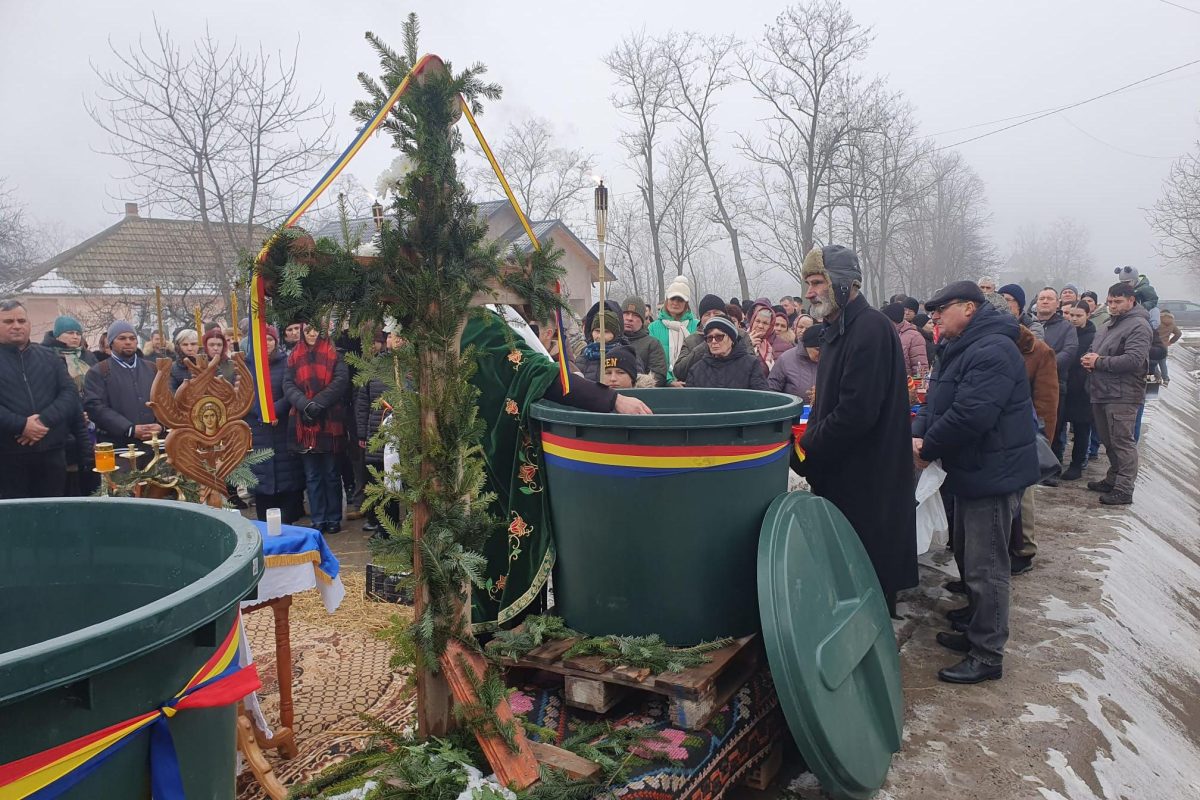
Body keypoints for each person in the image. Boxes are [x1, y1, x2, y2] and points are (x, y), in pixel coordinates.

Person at [913, 281, 1039, 684]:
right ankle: (975, 623)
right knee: (967, 554)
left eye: (941, 309)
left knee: (987, 567)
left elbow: (972, 414)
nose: (935, 317)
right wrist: (919, 433)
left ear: (969, 307)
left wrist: (929, 445)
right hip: (970, 469)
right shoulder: (957, 346)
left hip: (992, 471)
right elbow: (935, 400)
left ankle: (987, 653)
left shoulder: (993, 349)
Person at [797, 245, 917, 616]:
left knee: (869, 575)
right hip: (845, 472)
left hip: (869, 477)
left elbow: (856, 413)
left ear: (845, 283)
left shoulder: (870, 329)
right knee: (847, 571)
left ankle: (873, 638)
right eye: (808, 283)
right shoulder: (836, 328)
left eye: (817, 282)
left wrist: (807, 445)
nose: (810, 292)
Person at [992, 291, 1057, 576]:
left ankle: (1024, 550)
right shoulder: (989, 345)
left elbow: (1047, 402)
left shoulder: (1038, 351)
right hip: (998, 435)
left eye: (1010, 301)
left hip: (1026, 433)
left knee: (1024, 499)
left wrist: (1042, 442)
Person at [0, 300, 86, 498]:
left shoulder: (49, 357)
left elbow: (69, 393)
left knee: (52, 511)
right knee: (14, 515)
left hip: (51, 454)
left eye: (21, 321)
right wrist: (22, 425)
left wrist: (43, 421)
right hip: (7, 457)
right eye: (8, 321)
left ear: (29, 324)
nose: (16, 326)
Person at [1081, 282, 1152, 505]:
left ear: (1131, 301)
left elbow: (1133, 360)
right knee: (1108, 440)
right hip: (1101, 390)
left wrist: (1099, 362)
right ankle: (1113, 478)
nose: (1112, 305)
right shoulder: (1108, 324)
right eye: (1110, 301)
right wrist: (1088, 358)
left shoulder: (1139, 325)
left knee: (1122, 442)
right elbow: (1095, 350)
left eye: (1118, 301)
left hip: (1123, 393)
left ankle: (1124, 489)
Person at [284, 321, 351, 536]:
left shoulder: (335, 353)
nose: (312, 334)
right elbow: (288, 385)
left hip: (330, 420)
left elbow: (340, 381)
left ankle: (333, 518)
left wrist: (318, 403)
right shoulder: (294, 356)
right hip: (304, 421)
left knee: (331, 473)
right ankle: (318, 518)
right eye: (308, 330)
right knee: (312, 475)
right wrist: (305, 404)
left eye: (315, 330)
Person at [83, 320, 163, 463]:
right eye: (122, 338)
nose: (128, 342)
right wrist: (129, 429)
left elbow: (165, 400)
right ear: (111, 342)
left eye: (132, 338)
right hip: (119, 449)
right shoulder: (99, 371)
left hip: (154, 446)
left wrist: (160, 425)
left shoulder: (152, 369)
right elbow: (95, 407)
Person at [248, 325, 305, 523]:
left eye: (270, 339)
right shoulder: (247, 365)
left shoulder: (286, 363)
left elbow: (290, 390)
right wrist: (262, 413)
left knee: (286, 472)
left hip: (282, 425)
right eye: (262, 340)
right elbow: (243, 395)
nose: (266, 344)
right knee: (262, 474)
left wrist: (274, 411)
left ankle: (289, 517)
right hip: (257, 427)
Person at [41, 315, 99, 496]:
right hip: (63, 421)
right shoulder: (46, 355)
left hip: (90, 418)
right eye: (70, 333)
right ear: (57, 334)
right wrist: (72, 413)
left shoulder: (88, 357)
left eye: (78, 333)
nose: (75, 337)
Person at [673, 294, 750, 383]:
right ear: (701, 319)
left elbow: (750, 364)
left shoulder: (741, 335)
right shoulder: (691, 340)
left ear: (725, 315)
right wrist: (708, 342)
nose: (712, 317)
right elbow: (679, 371)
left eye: (716, 313)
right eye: (707, 314)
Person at [1059, 301, 1096, 481]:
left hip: (1082, 389)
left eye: (1078, 315)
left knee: (1081, 429)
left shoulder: (1093, 336)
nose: (1073, 319)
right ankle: (1055, 461)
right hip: (1063, 384)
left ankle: (1077, 464)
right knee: (1058, 426)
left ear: (1088, 315)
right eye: (1071, 315)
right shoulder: (1064, 332)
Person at [683, 316, 767, 390]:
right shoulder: (696, 370)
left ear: (731, 339)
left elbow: (761, 397)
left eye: (719, 337)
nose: (713, 341)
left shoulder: (751, 364)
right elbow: (691, 400)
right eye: (709, 338)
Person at [648, 277, 697, 385]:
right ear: (667, 299)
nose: (675, 303)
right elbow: (653, 360)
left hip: (692, 384)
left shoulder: (696, 326)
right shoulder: (653, 328)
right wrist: (669, 380)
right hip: (664, 386)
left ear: (686, 303)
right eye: (672, 298)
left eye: (680, 300)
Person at [620, 295, 668, 386]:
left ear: (642, 320)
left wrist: (635, 385)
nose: (629, 318)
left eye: (635, 315)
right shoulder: (612, 341)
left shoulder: (652, 344)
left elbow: (659, 376)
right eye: (626, 314)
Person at [1033, 287, 1079, 380]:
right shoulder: (1026, 325)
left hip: (1054, 380)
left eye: (1050, 299)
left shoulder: (1067, 327)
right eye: (1041, 299)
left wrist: (1046, 365)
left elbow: (1069, 352)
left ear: (1058, 304)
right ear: (1036, 303)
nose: (1045, 301)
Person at [768, 322, 820, 403]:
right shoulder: (786, 359)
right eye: (817, 349)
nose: (821, 353)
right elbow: (772, 389)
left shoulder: (831, 360)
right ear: (807, 346)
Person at [746, 298, 792, 375]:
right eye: (757, 321)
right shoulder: (740, 340)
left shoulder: (785, 347)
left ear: (771, 326)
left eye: (765, 323)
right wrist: (747, 345)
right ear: (752, 321)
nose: (760, 326)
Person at [883, 302, 929, 376]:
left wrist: (917, 381)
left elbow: (920, 366)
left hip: (907, 381)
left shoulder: (914, 337)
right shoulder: (885, 334)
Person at [1154, 310, 1182, 387]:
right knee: (1162, 363)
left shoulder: (1157, 321)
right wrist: (1170, 342)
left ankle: (1158, 377)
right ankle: (1166, 379)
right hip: (1164, 346)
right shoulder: (1172, 323)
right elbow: (1179, 333)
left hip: (1155, 345)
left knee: (1153, 363)